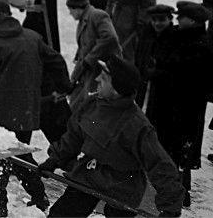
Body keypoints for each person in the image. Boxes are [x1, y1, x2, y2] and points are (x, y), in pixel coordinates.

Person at [40, 56, 185, 218]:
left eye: (104, 78)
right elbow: (74, 136)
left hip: (123, 186)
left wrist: (170, 207)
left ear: (117, 88)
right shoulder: (92, 104)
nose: (97, 79)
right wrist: (55, 159)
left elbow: (159, 164)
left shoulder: (137, 126)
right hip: (89, 174)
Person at [0, 2, 56, 217]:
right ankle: (39, 197)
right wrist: (64, 87)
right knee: (20, 156)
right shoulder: (31, 36)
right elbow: (56, 60)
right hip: (26, 112)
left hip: (1, 112)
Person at [147, 2, 213, 205]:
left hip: (185, 111)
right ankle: (177, 192)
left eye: (181, 16)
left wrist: (156, 73)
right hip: (174, 108)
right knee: (172, 150)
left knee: (178, 152)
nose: (177, 19)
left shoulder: (199, 45)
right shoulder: (183, 37)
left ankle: (178, 194)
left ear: (192, 21)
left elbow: (180, 74)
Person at [65, 0, 121, 113]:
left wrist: (90, 58)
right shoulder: (83, 22)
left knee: (93, 108)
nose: (70, 13)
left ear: (77, 8)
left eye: (70, 9)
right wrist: (73, 79)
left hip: (103, 72)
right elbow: (81, 55)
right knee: (77, 106)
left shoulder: (97, 15)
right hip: (90, 72)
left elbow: (110, 38)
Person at [134, 4, 174, 107]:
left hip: (161, 89)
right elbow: (138, 59)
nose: (157, 23)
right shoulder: (146, 36)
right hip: (143, 85)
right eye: (154, 20)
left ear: (170, 19)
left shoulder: (174, 39)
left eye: (161, 20)